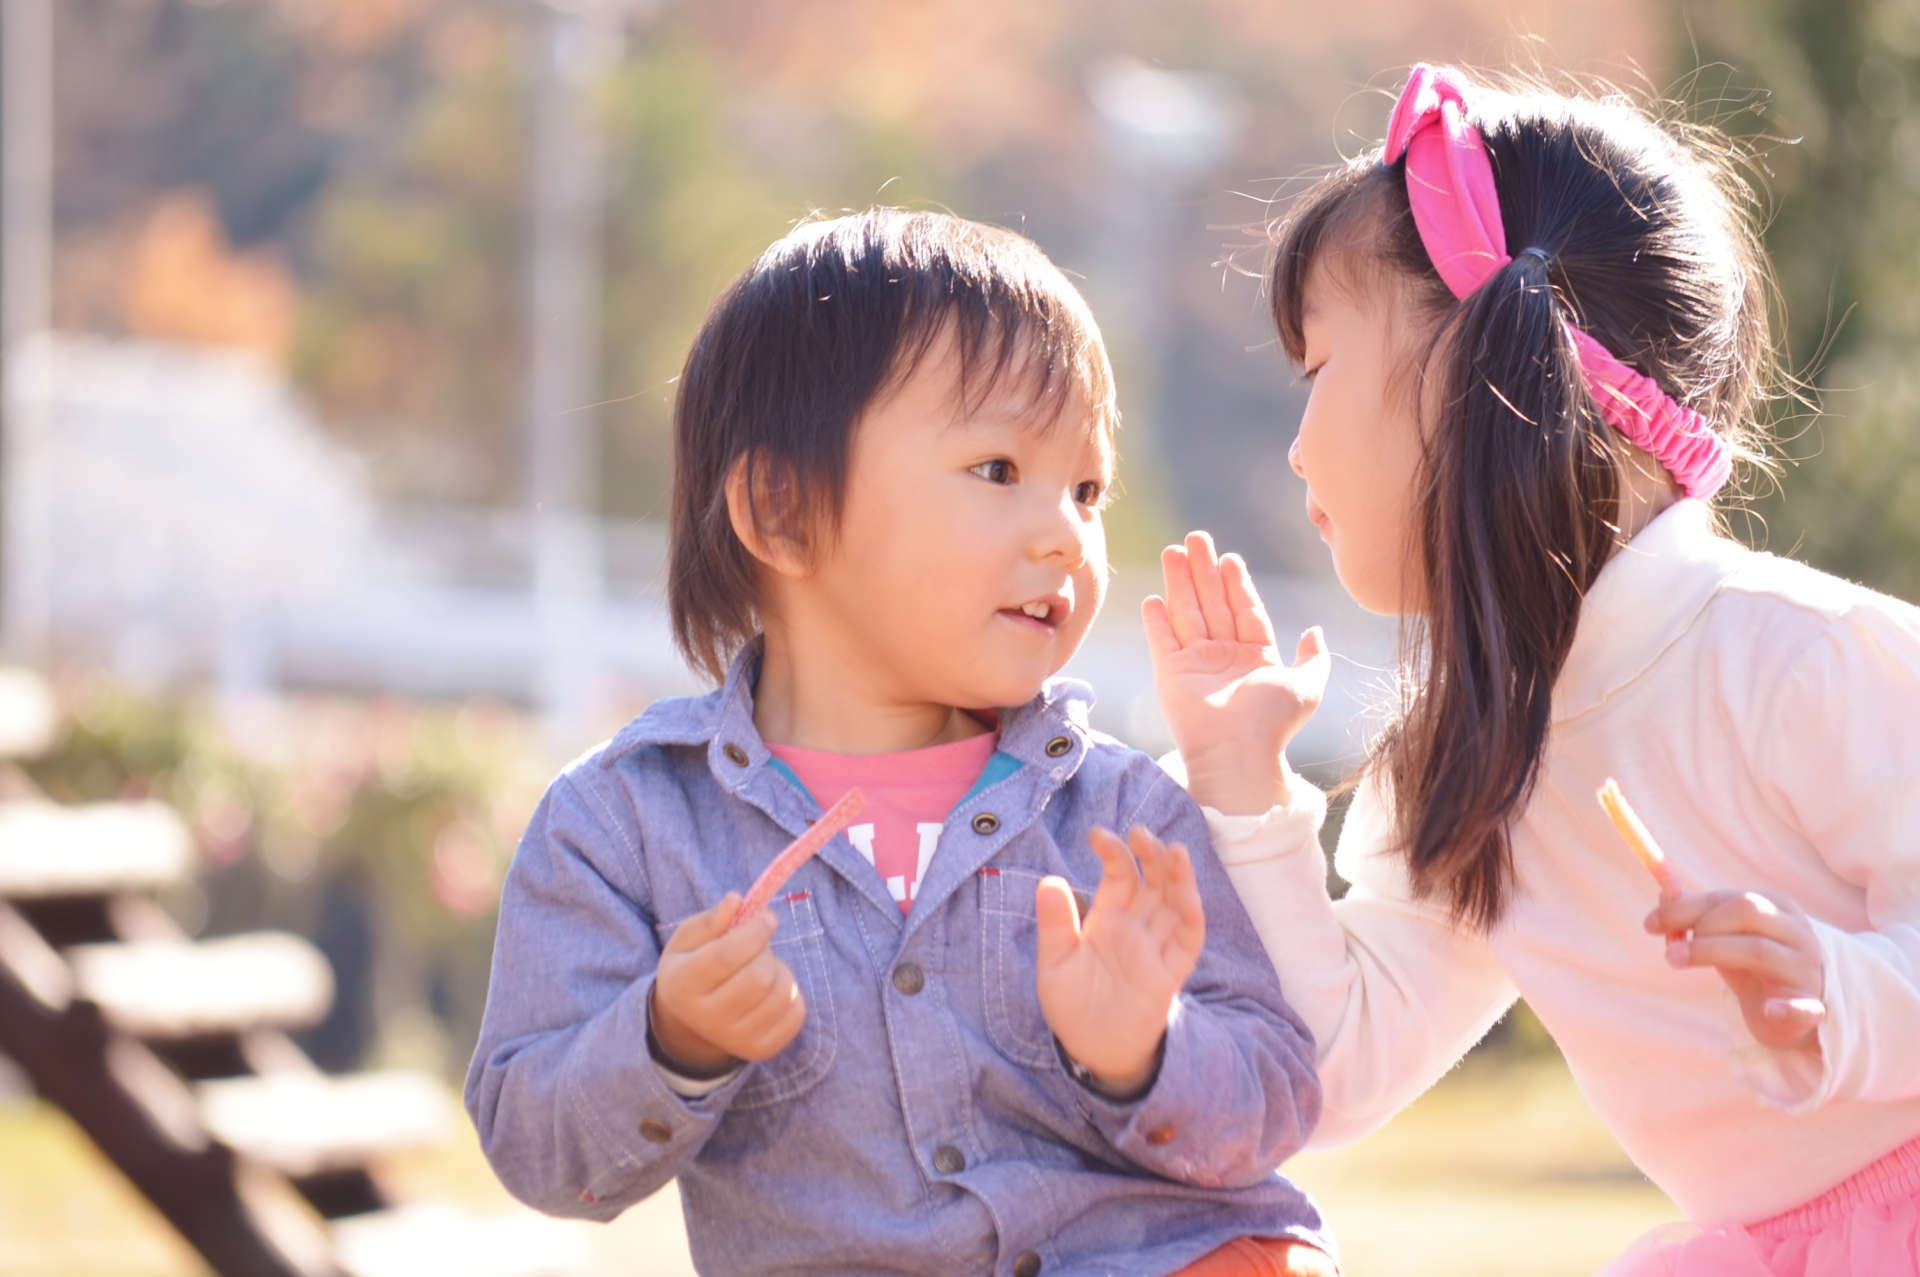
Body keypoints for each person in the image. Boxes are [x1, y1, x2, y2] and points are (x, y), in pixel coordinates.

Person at [1147, 64, 1920, 1276]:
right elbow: (1339, 1067)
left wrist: (1843, 989)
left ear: (1479, 361)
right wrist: (1245, 785)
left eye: (1318, 369)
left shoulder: (1796, 657)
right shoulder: (1471, 759)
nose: (1296, 445)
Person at [465, 209, 1335, 1277]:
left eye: (1087, 487)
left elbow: (1278, 1097)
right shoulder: (626, 824)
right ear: (781, 509)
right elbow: (538, 1147)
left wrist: (1141, 1052)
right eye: (999, 468)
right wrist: (667, 1040)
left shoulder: (1121, 817)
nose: (1066, 529)